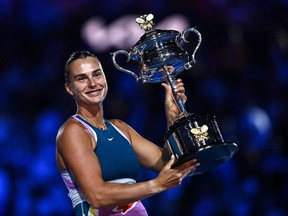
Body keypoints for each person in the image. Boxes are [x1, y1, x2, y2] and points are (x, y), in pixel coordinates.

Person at [56, 50, 200, 216]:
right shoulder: (72, 131)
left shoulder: (120, 128)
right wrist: (157, 185)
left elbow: (170, 165)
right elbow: (97, 196)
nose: (92, 83)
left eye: (97, 74)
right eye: (82, 78)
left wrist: (173, 117)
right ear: (69, 88)